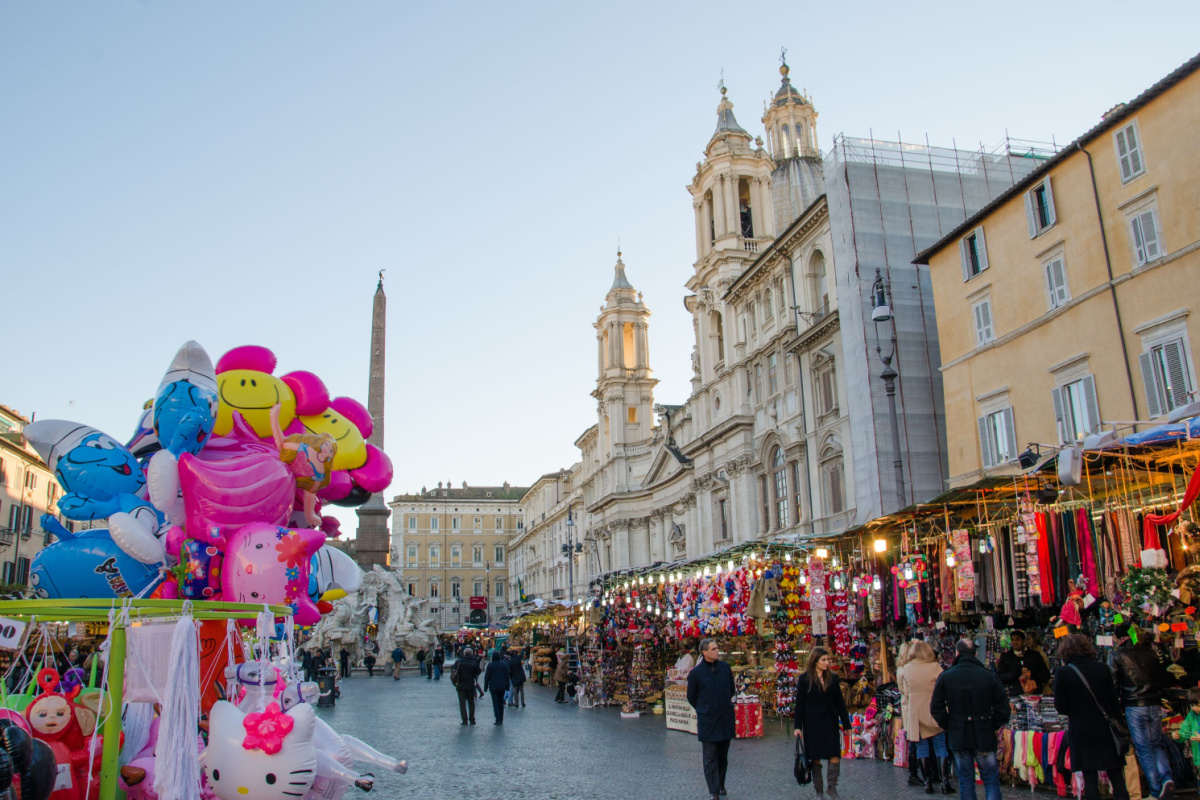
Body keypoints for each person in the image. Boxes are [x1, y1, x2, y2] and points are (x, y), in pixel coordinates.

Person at [930, 638, 1010, 800]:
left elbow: (936, 707)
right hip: (984, 731)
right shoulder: (988, 676)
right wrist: (991, 723)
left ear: (957, 653)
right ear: (975, 654)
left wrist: (949, 724)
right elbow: (1003, 708)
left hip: (959, 733)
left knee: (966, 781)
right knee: (990, 780)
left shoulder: (946, 677)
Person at [1053, 633, 1130, 800]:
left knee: (1090, 777)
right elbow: (1113, 700)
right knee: (1116, 776)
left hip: (1081, 729)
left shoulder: (1063, 673)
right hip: (1105, 728)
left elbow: (1060, 706)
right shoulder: (1102, 668)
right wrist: (1121, 725)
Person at [1112, 623, 1176, 800]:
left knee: (1144, 748)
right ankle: (1166, 778)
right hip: (1154, 704)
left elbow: (1114, 684)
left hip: (1134, 706)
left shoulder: (1117, 655)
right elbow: (1160, 677)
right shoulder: (1150, 653)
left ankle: (1156, 790)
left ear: (1119, 638)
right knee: (1156, 744)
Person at [794, 646, 852, 800]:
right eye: (824, 660)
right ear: (815, 661)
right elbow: (799, 704)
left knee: (834, 755)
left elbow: (840, 703)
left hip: (830, 722)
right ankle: (819, 790)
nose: (827, 663)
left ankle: (832, 788)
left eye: (828, 660)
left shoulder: (833, 679)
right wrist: (797, 727)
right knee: (815, 757)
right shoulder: (805, 679)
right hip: (812, 723)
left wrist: (847, 725)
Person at [900, 640, 953, 795]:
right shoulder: (936, 668)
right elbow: (944, 690)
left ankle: (927, 784)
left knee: (922, 748)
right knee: (940, 746)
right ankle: (944, 783)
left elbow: (906, 692)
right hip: (934, 710)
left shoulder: (906, 669)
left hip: (916, 712)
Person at [687, 638, 736, 800]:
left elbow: (731, 689)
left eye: (717, 648)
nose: (717, 651)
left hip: (724, 718)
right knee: (710, 757)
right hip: (708, 721)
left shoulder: (725, 668)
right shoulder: (696, 673)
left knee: (723, 756)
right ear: (705, 652)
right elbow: (691, 696)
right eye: (714, 649)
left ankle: (721, 784)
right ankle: (713, 790)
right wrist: (704, 708)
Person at [896, 640, 924, 789]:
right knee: (914, 740)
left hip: (908, 706)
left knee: (914, 738)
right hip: (911, 705)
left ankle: (915, 772)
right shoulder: (906, 670)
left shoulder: (902, 669)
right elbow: (907, 691)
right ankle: (913, 772)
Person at [996, 630, 1050, 697]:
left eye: (1017, 639)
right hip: (1014, 695)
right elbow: (1000, 678)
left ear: (1023, 640)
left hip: (1034, 695)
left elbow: (1046, 675)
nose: (1014, 642)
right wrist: (1016, 672)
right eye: (1012, 640)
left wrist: (1032, 675)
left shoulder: (1035, 655)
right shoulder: (1006, 657)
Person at [1172, 687, 1200, 772]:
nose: (1194, 708)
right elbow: (1185, 731)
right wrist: (1178, 736)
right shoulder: (1191, 715)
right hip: (1197, 758)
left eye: (1198, 705)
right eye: (1192, 705)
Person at [453, 647, 483, 725]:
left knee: (462, 703)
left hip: (461, 685)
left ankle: (464, 720)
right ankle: (472, 719)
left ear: (464, 654)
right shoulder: (473, 663)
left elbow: (453, 669)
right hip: (470, 685)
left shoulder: (459, 662)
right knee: (471, 703)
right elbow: (478, 671)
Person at [483, 650, 511, 725]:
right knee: (500, 702)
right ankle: (501, 718)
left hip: (493, 687)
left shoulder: (490, 665)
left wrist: (485, 687)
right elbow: (507, 676)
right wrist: (507, 686)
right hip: (502, 686)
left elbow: (487, 677)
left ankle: (497, 718)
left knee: (495, 703)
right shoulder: (503, 665)